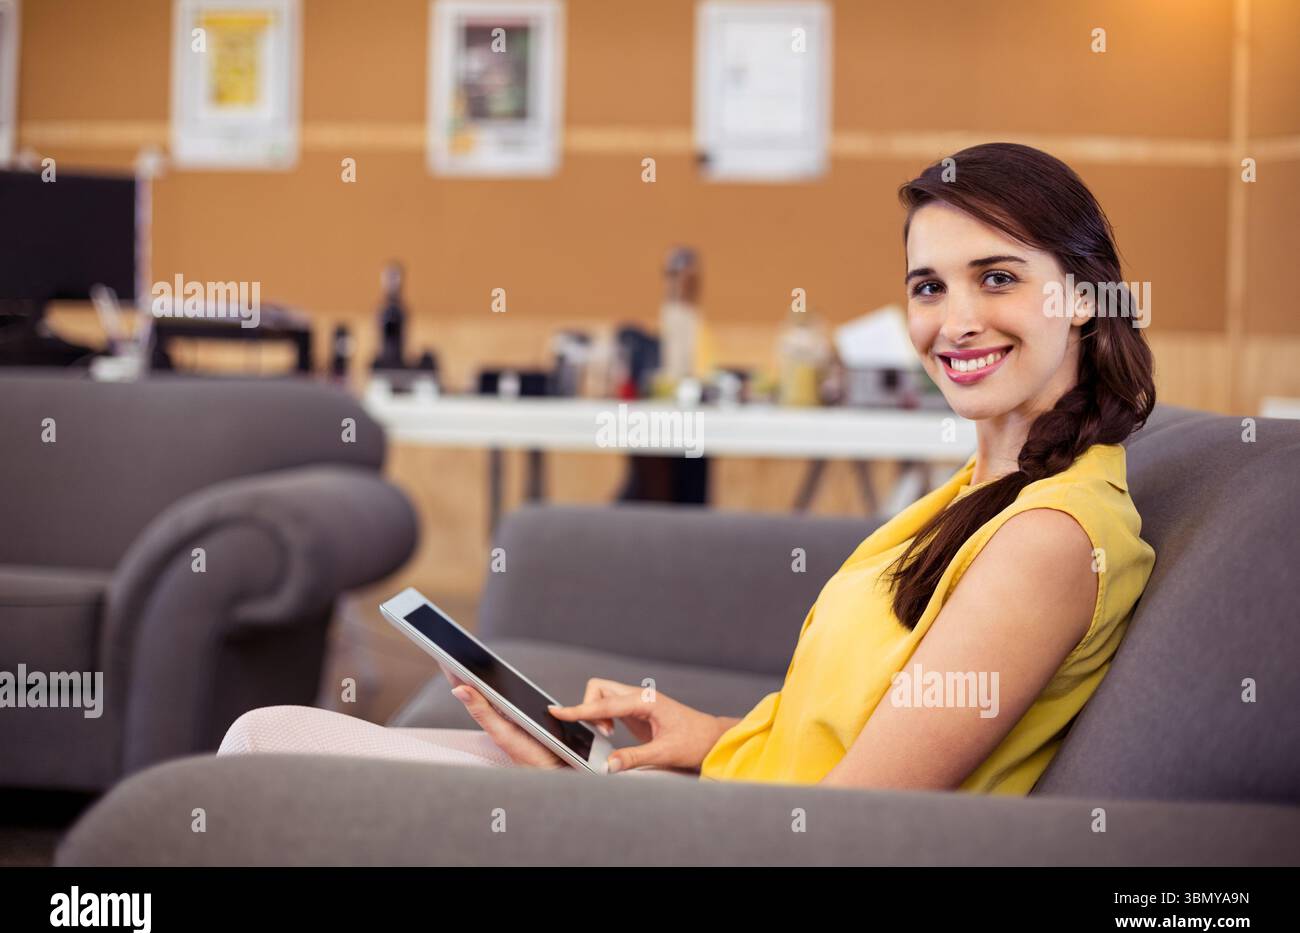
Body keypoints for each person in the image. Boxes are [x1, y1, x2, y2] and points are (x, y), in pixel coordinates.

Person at [219, 142, 1156, 795]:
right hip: (711, 807)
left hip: (719, 842)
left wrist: (603, 801)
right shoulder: (986, 494)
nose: (954, 321)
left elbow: (849, 827)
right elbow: (829, 744)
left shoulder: (1047, 540)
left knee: (264, 750)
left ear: (1081, 296)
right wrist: (700, 738)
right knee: (270, 750)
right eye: (928, 286)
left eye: (997, 278)